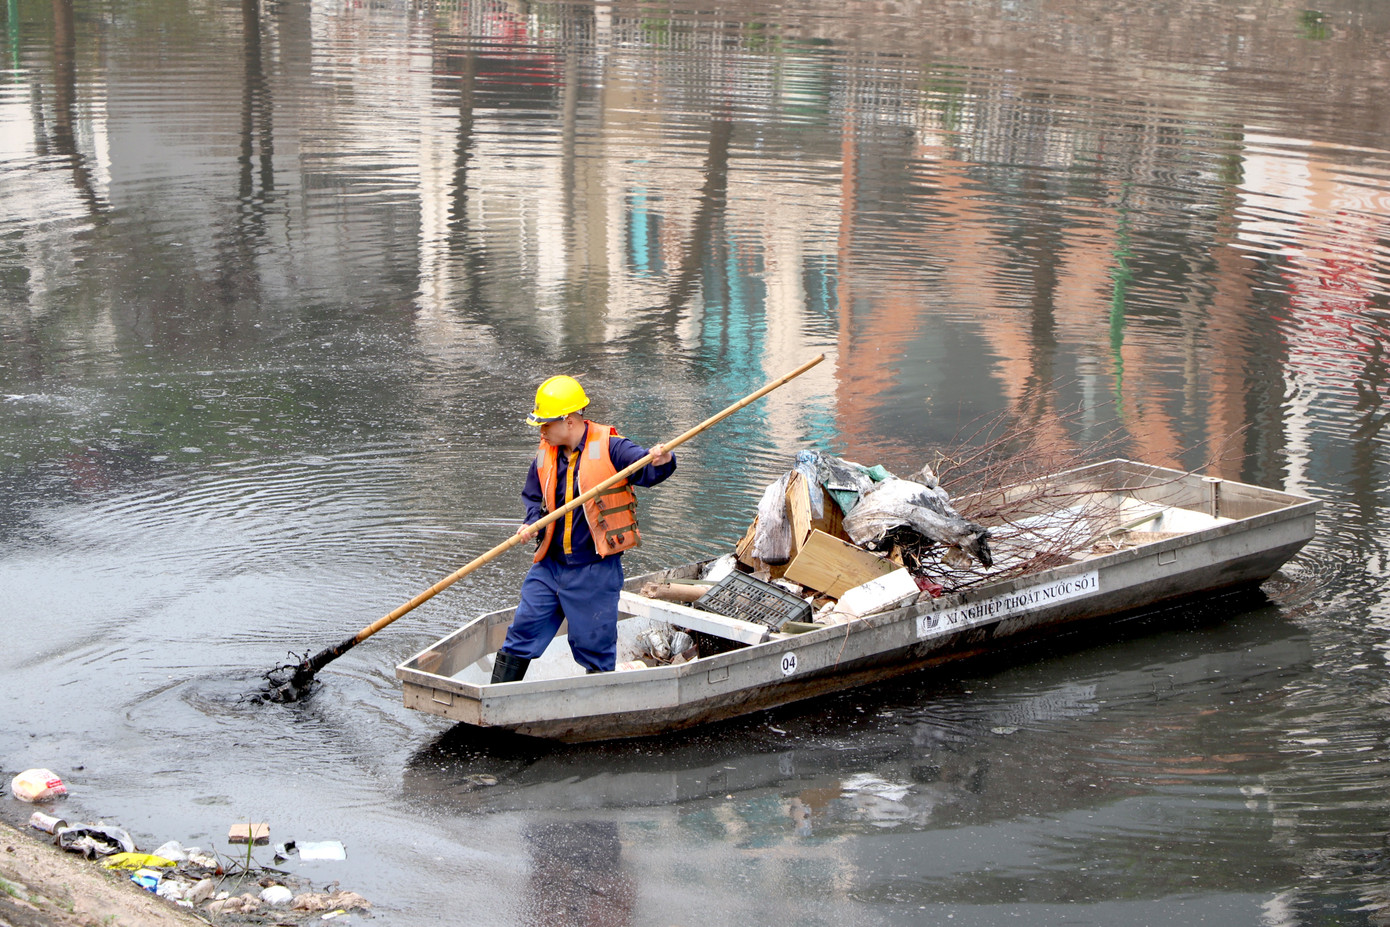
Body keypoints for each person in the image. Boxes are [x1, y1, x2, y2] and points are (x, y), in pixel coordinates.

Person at [490, 375, 676, 683]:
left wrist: (663, 459)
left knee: (594, 646)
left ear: (569, 421)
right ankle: (495, 698)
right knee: (523, 630)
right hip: (549, 566)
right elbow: (534, 494)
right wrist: (531, 520)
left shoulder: (612, 447)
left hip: (594, 570)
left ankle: (597, 702)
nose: (542, 431)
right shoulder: (545, 453)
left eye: (546, 424)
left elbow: (646, 469)